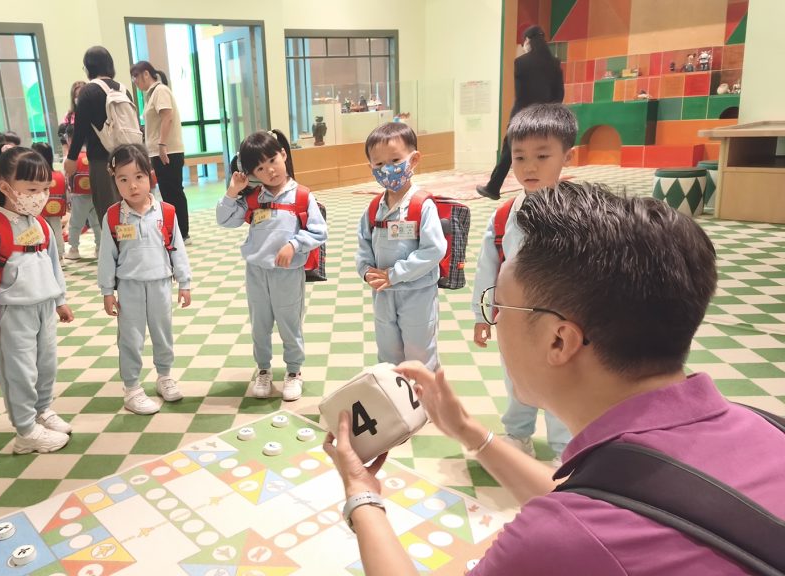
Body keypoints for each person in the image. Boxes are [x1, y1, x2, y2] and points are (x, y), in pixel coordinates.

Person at [326, 182, 785, 575]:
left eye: (500, 306)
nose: (494, 321)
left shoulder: (562, 538)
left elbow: (580, 525)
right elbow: (610, 498)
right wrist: (468, 431)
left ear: (559, 340)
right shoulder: (763, 428)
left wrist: (361, 495)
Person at [473, 103, 575, 465]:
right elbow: (488, 267)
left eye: (542, 156)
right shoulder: (505, 216)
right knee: (517, 380)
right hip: (514, 320)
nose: (529, 167)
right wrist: (482, 316)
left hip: (562, 321)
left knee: (562, 383)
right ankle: (517, 435)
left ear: (567, 157)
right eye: (519, 157)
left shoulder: (579, 213)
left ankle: (566, 448)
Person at [0, 147, 75, 454]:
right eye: (32, 190)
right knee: (19, 371)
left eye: (45, 189)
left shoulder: (40, 224)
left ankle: (42, 410)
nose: (40, 197)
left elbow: (53, 264)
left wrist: (60, 299)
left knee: (46, 365)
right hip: (12, 312)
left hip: (44, 307)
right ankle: (25, 430)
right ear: (5, 187)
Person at [216, 129, 328, 401]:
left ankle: (294, 371)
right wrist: (233, 191)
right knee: (260, 325)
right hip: (256, 273)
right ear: (252, 173)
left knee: (290, 324)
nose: (269, 171)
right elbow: (225, 220)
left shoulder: (301, 196)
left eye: (272, 161)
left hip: (287, 275)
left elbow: (319, 231)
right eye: (260, 168)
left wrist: (294, 245)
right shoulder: (254, 198)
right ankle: (263, 370)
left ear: (284, 155)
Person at [98, 144, 192, 415]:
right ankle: (132, 388)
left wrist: (184, 282)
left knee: (163, 333)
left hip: (161, 283)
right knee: (130, 338)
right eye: (123, 179)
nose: (132, 186)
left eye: (139, 177)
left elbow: (177, 249)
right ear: (114, 180)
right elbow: (107, 256)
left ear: (150, 175)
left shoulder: (166, 212)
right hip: (129, 287)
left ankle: (164, 376)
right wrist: (107, 290)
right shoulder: (113, 216)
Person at [356, 123, 447, 370]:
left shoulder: (421, 205)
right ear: (371, 167)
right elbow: (363, 245)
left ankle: (424, 394)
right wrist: (366, 271)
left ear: (413, 160)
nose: (387, 169)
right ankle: (394, 392)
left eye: (395, 160)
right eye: (379, 164)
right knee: (388, 355)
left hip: (417, 294)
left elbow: (434, 249)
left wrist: (395, 274)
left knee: (420, 354)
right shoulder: (373, 209)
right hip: (383, 295)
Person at [477, 25, 564, 200]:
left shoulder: (521, 62)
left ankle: (493, 187)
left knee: (510, 150)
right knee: (543, 153)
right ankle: (546, 191)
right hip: (545, 117)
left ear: (528, 40)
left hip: (522, 116)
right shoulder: (554, 63)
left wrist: (518, 117)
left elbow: (521, 94)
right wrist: (547, 113)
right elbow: (559, 94)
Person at [63, 46, 134, 222]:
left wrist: (72, 158)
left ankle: (115, 239)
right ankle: (131, 237)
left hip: (102, 160)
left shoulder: (88, 91)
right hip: (128, 156)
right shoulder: (123, 90)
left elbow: (80, 128)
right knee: (129, 204)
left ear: (89, 67)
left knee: (107, 209)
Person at [130, 61, 191, 246]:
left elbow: (167, 116)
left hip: (167, 151)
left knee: (173, 191)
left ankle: (182, 232)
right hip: (160, 151)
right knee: (168, 192)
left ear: (146, 74)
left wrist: (162, 144)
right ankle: (175, 230)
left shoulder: (160, 90)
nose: (135, 82)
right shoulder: (152, 94)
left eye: (136, 77)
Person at [31, 141, 68, 252]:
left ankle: (43, 251)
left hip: (38, 209)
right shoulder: (58, 175)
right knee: (56, 229)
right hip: (56, 208)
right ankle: (60, 252)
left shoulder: (34, 176)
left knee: (39, 229)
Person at [58, 80, 87, 157]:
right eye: (76, 96)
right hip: (74, 157)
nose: (78, 98)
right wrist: (66, 158)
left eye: (80, 95)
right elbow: (63, 142)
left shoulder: (94, 114)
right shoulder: (68, 116)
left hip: (92, 157)